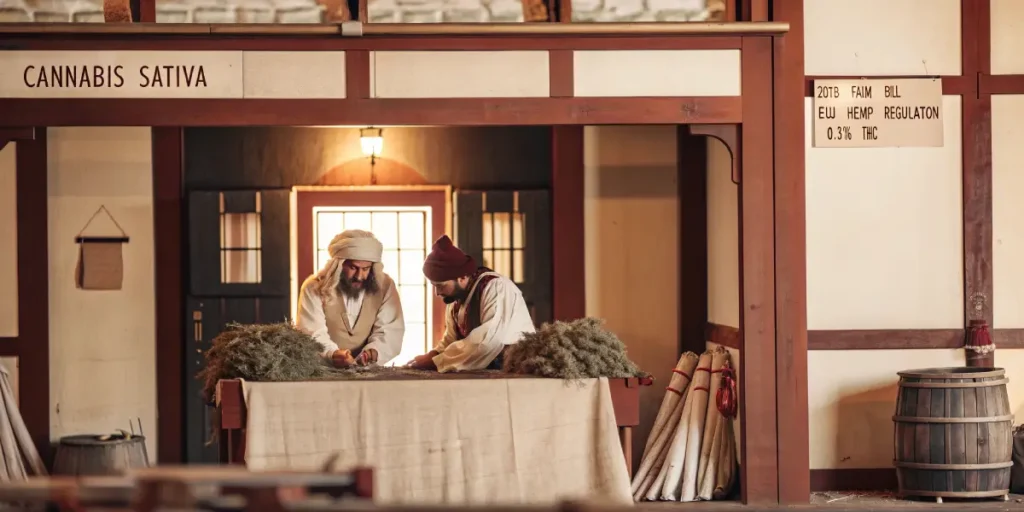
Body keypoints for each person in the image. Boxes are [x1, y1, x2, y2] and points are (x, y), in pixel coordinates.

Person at [407, 235, 535, 373]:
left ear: (462, 277)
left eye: (440, 286)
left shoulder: (496, 287)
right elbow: (451, 339)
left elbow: (487, 341)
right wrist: (434, 354)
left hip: (515, 370)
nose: (437, 293)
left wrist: (436, 362)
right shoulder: (456, 298)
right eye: (434, 286)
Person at [296, 229, 405, 367]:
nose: (360, 276)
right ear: (339, 265)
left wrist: (373, 352)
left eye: (366, 269)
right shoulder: (313, 287)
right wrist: (333, 354)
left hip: (368, 372)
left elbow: (390, 330)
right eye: (353, 267)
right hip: (323, 370)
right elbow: (311, 331)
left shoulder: (385, 286)